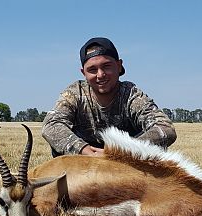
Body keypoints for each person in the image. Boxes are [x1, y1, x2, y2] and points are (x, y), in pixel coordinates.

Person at [42, 37, 177, 157]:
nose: (100, 75)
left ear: (119, 66)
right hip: (82, 162)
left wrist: (120, 151)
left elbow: (165, 129)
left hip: (124, 162)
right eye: (92, 70)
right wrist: (84, 150)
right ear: (83, 73)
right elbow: (51, 125)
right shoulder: (75, 93)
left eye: (106, 66)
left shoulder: (131, 94)